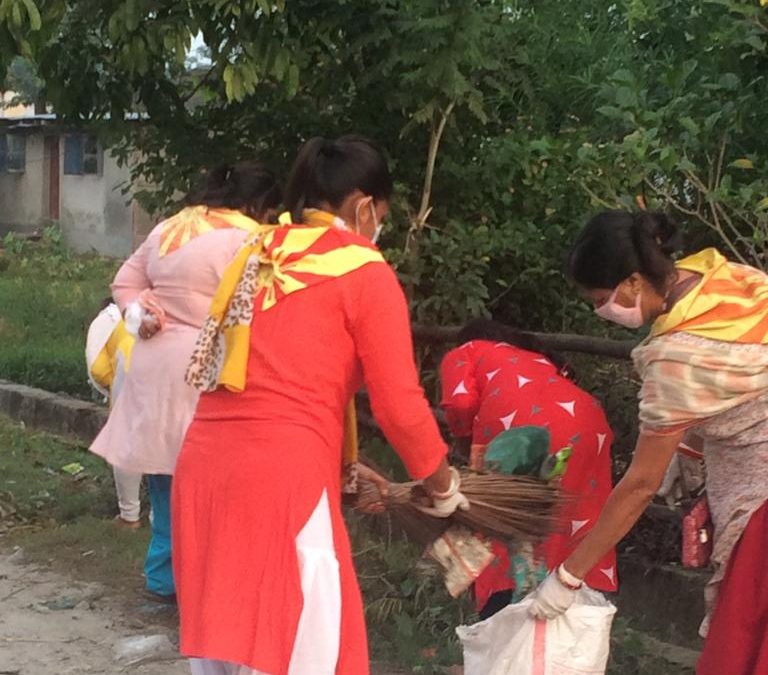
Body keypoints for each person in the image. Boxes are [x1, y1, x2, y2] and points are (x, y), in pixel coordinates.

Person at [173, 135, 466, 675]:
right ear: (363, 207)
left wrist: (344, 469)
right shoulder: (365, 272)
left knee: (228, 646)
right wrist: (444, 487)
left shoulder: (256, 253)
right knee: (303, 648)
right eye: (382, 214)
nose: (381, 227)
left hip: (204, 468)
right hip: (282, 483)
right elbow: (400, 404)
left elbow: (255, 379)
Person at [529, 210, 768, 675]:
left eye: (602, 299)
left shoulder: (674, 357)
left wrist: (569, 575)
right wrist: (693, 445)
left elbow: (639, 485)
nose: (602, 311)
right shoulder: (728, 277)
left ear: (634, 281)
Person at [89, 162, 282, 601]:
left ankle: (163, 575)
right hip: (206, 369)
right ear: (258, 205)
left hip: (152, 364)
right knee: (208, 483)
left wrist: (143, 311)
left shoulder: (171, 227)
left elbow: (125, 283)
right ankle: (203, 581)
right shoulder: (250, 238)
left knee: (164, 475)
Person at [440, 319, 617, 618]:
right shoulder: (538, 358)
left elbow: (459, 403)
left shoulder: (465, 351)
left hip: (518, 429)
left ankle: (503, 613)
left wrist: (462, 436)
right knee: (573, 519)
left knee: (501, 523)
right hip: (589, 425)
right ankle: (575, 603)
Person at [86, 298, 141, 528]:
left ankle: (129, 516)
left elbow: (97, 368)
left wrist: (112, 386)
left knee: (125, 439)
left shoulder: (104, 320)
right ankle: (165, 515)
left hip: (129, 363)